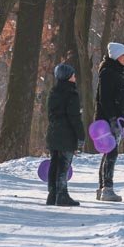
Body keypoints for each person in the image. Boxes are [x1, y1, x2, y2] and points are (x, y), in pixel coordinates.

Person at [95, 42, 124, 202]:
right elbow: (105, 99)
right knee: (111, 152)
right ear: (115, 56)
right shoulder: (108, 73)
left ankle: (102, 188)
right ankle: (107, 188)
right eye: (123, 56)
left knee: (109, 152)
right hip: (108, 120)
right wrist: (113, 119)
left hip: (115, 119)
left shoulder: (117, 72)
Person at [45, 63, 83, 207]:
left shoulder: (53, 92)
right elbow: (74, 118)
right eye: (73, 75)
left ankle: (52, 194)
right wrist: (81, 135)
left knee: (54, 164)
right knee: (63, 166)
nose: (75, 77)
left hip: (53, 133)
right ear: (68, 77)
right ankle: (62, 195)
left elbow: (50, 115)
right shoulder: (71, 94)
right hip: (66, 135)